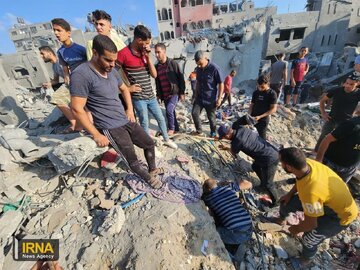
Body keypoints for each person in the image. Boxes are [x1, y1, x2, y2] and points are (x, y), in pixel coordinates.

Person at [70, 35, 164, 189]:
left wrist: (129, 110)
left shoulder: (112, 71)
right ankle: (148, 179)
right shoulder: (81, 74)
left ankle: (152, 169)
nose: (112, 64)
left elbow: (124, 89)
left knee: (149, 143)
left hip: (125, 120)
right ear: (95, 53)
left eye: (114, 60)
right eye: (108, 60)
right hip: (110, 126)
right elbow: (76, 108)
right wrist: (96, 134)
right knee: (131, 159)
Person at [275, 147, 358, 266]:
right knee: (286, 203)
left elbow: (311, 224)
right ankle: (280, 220)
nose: (280, 163)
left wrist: (296, 229)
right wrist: (289, 194)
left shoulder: (311, 192)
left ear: (288, 167)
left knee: (309, 238)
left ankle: (306, 259)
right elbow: (300, 180)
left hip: (340, 216)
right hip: (326, 199)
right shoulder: (307, 164)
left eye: (281, 162)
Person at [117, 25, 177, 149]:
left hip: (151, 96)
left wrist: (149, 57)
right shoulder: (123, 54)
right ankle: (149, 146)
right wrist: (127, 88)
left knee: (161, 118)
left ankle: (166, 139)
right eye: (146, 43)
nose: (147, 45)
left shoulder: (145, 53)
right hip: (138, 98)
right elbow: (112, 75)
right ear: (139, 40)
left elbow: (154, 75)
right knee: (144, 123)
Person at [217, 124, 279, 204]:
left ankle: (276, 203)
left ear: (228, 134)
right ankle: (262, 185)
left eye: (224, 137)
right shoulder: (241, 128)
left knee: (269, 184)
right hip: (269, 151)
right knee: (255, 167)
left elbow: (234, 152)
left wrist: (227, 147)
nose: (224, 138)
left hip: (269, 159)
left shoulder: (237, 141)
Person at [202, 178, 253, 267]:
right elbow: (248, 184)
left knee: (212, 234)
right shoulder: (228, 188)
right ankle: (235, 244)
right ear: (216, 184)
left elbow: (201, 199)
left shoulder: (208, 198)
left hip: (237, 234)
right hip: (249, 227)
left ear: (207, 190)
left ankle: (232, 259)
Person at [51, 18, 88, 133]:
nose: (56, 33)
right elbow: (65, 68)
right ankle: (75, 124)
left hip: (86, 80)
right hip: (73, 81)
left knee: (84, 105)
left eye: (59, 30)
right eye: (54, 30)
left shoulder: (80, 49)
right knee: (57, 99)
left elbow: (89, 63)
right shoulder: (61, 52)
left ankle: (88, 126)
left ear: (68, 33)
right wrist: (67, 77)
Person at [315, 73, 360, 151]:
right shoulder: (337, 90)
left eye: (351, 84)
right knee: (323, 136)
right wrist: (323, 113)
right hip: (331, 118)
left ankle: (330, 155)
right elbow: (322, 100)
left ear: (357, 83)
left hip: (345, 121)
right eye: (347, 83)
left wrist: (356, 113)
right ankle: (316, 151)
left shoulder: (358, 93)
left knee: (339, 140)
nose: (348, 86)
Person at [316, 117, 360, 183]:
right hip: (332, 163)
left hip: (350, 169)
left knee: (335, 191)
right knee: (318, 184)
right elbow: (327, 139)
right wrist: (318, 160)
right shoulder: (352, 124)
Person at [154, 43, 185, 135]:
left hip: (174, 93)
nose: (156, 55)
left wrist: (182, 92)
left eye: (158, 52)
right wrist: (158, 94)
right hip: (165, 94)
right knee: (171, 111)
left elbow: (180, 78)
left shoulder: (172, 63)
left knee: (169, 110)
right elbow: (157, 82)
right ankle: (176, 128)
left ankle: (171, 128)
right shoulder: (157, 67)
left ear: (164, 52)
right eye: (155, 52)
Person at [191, 50, 224, 137]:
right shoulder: (198, 69)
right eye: (197, 64)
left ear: (205, 58)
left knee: (211, 117)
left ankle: (213, 132)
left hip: (210, 99)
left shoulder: (214, 68)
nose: (199, 66)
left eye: (200, 64)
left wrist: (219, 98)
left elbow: (221, 83)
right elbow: (198, 81)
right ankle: (199, 131)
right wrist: (195, 94)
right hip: (199, 97)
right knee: (194, 113)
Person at [248, 75, 277, 140]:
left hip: (263, 120)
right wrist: (249, 114)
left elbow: (273, 109)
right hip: (253, 118)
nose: (260, 88)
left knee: (261, 139)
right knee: (251, 136)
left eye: (262, 87)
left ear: (267, 84)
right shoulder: (256, 92)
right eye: (258, 86)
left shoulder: (272, 94)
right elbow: (252, 105)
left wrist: (260, 116)